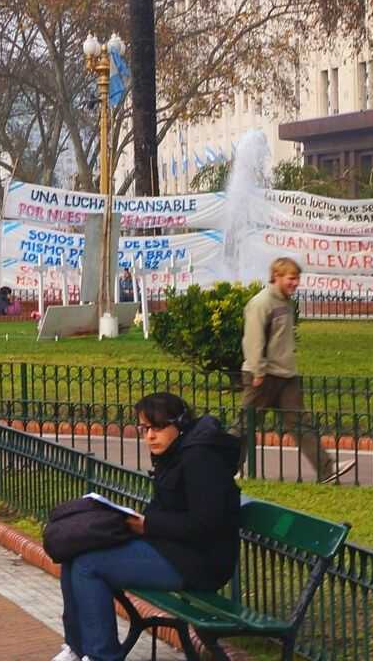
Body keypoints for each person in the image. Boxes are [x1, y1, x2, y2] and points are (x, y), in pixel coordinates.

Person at [53, 392, 239, 661]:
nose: (150, 436)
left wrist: (149, 524)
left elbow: (205, 524)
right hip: (171, 548)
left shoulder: (201, 459)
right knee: (75, 553)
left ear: (180, 424)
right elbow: (169, 508)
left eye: (158, 427)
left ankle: (101, 656)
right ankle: (78, 647)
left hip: (199, 562)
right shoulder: (175, 452)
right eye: (145, 428)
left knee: (88, 565)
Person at [241, 257, 347, 482]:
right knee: (246, 425)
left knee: (301, 424)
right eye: (291, 278)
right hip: (263, 375)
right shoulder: (261, 303)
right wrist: (258, 371)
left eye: (297, 278)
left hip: (286, 374)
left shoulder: (287, 302)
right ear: (277, 276)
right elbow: (253, 339)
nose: (295, 283)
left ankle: (327, 471)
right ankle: (224, 467)